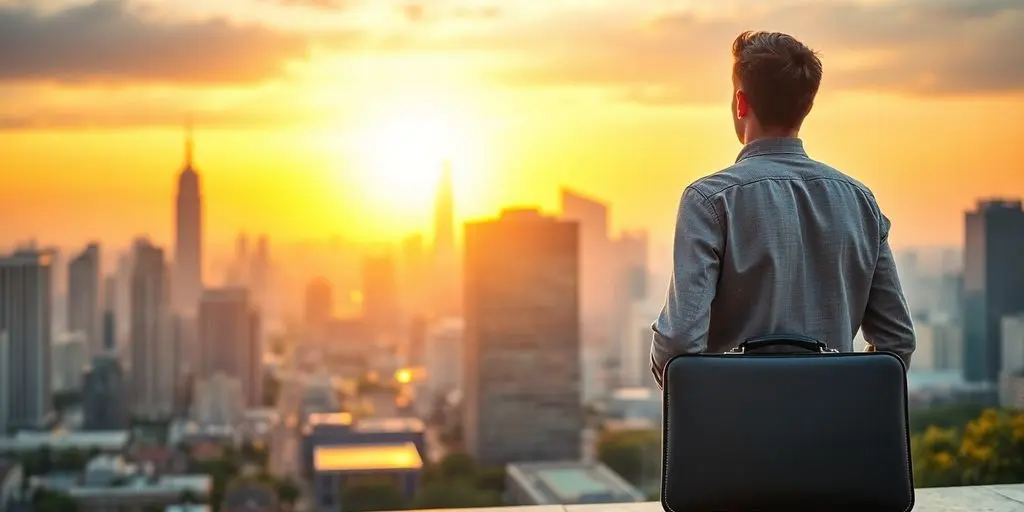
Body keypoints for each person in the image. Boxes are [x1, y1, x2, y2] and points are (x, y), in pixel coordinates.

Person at [650, 31, 915, 388]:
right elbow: (897, 341)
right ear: (807, 106)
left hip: (736, 429)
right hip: (831, 429)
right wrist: (848, 400)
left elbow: (680, 342)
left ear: (741, 103)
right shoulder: (859, 201)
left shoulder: (710, 200)